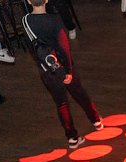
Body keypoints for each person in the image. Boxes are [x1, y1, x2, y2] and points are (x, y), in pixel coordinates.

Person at [24, 0, 103, 149]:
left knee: (61, 103)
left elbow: (33, 48)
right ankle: (96, 120)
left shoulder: (25, 20)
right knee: (80, 94)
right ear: (46, 0)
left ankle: (72, 137)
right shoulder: (54, 20)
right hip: (64, 66)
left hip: (47, 70)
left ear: (29, 1)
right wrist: (68, 70)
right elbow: (64, 46)